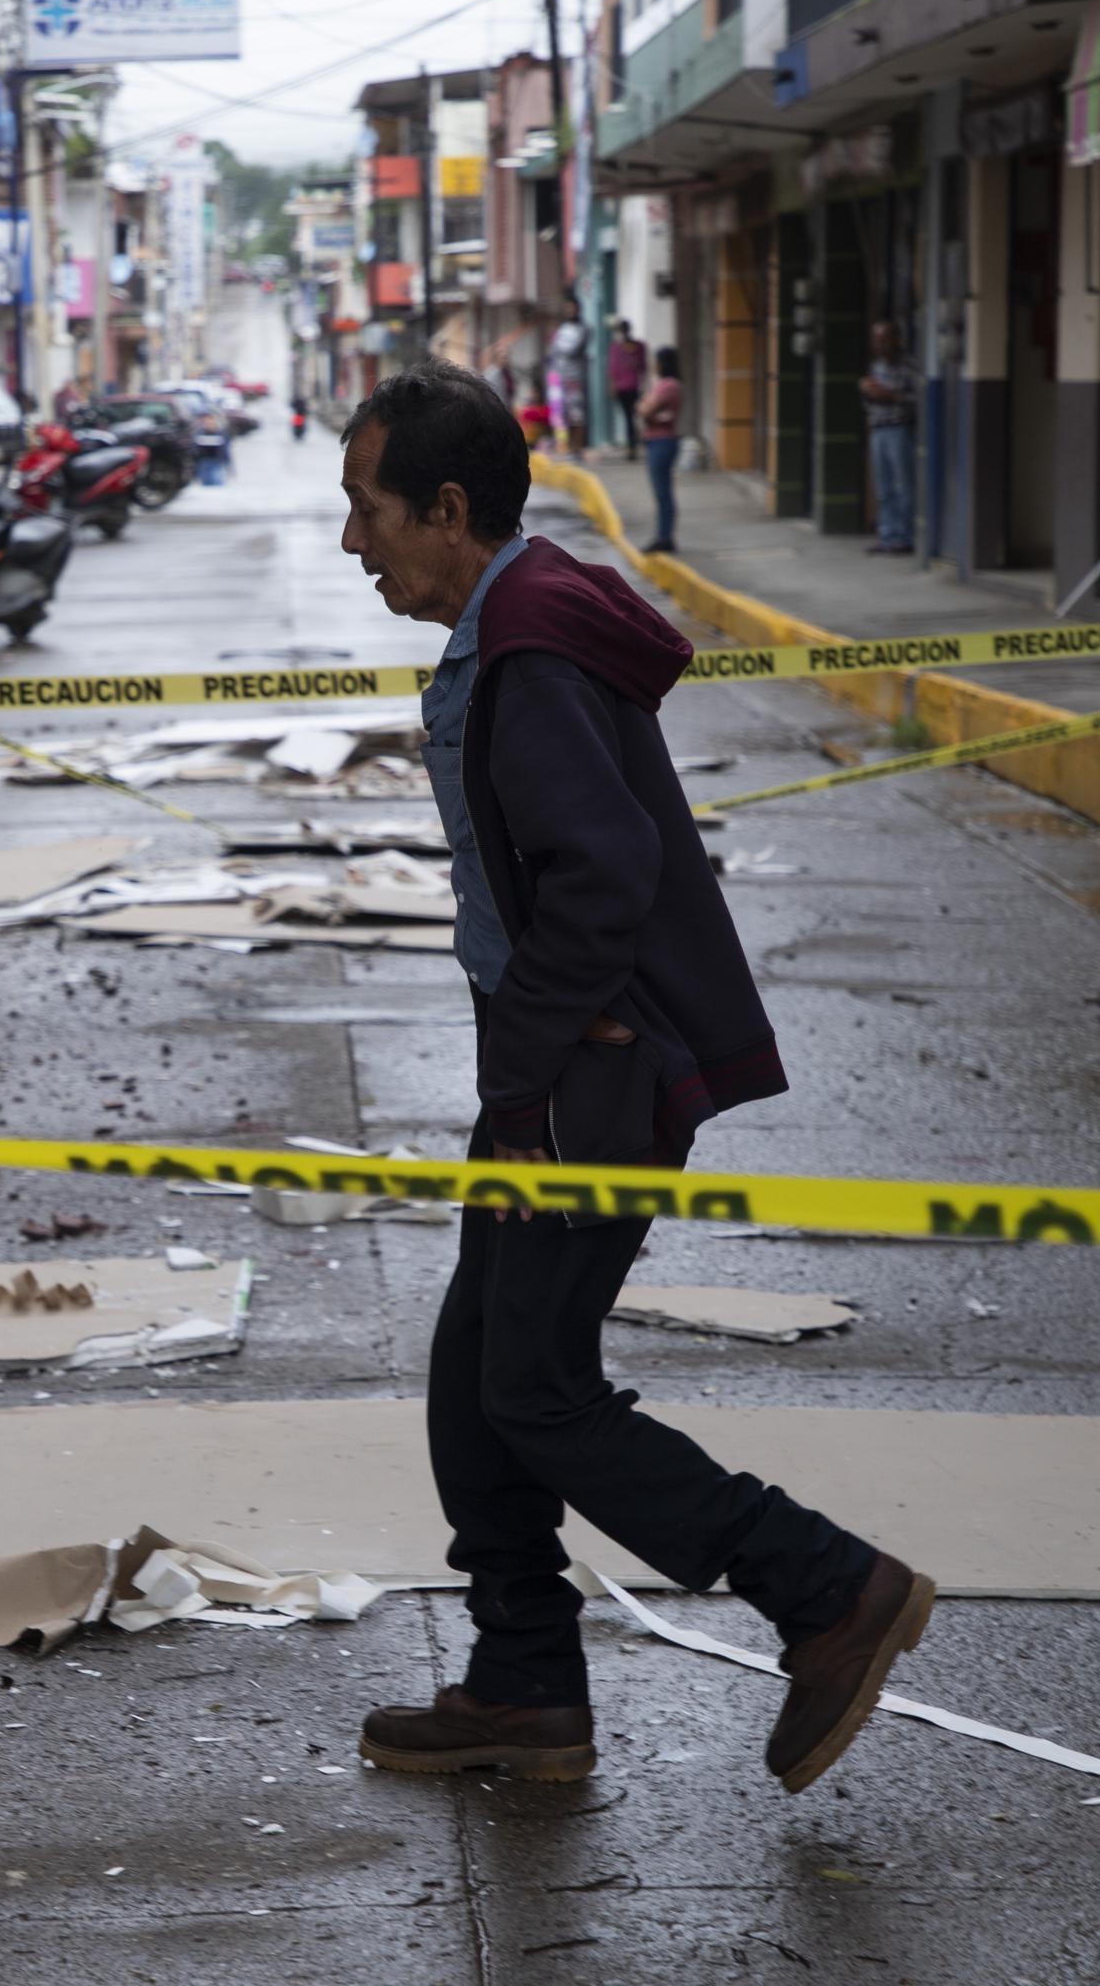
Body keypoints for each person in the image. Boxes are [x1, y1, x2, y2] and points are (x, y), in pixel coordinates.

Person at [334, 360, 931, 1795]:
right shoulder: (521, 618)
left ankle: (828, 1587)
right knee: (480, 1383)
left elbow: (603, 874)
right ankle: (526, 1682)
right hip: (551, 1069)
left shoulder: (530, 653)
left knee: (532, 1391)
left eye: (368, 511)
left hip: (578, 1083)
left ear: (449, 509)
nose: (354, 542)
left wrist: (534, 1067)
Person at [858, 320, 917, 556]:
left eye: (884, 339)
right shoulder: (876, 367)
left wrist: (890, 395)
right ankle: (887, 535)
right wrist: (867, 392)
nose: (879, 345)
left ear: (897, 340)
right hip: (878, 429)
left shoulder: (910, 366)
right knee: (883, 488)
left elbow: (918, 399)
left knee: (903, 485)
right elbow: (868, 403)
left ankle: (905, 537)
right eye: (876, 340)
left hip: (900, 429)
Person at [637, 346, 684, 552]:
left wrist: (645, 406)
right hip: (658, 441)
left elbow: (645, 410)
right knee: (661, 492)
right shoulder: (664, 385)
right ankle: (664, 535)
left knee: (663, 492)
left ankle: (665, 537)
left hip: (662, 442)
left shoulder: (668, 385)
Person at [548, 299, 589, 457]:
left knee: (577, 413)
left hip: (575, 377)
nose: (570, 311)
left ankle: (578, 447)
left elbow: (569, 349)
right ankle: (570, 447)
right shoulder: (563, 329)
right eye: (567, 308)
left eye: (572, 308)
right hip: (560, 377)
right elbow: (554, 349)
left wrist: (559, 347)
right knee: (564, 414)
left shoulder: (583, 328)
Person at [607, 321, 647, 460]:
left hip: (633, 387)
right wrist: (613, 386)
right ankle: (632, 446)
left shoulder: (637, 347)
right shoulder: (616, 348)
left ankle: (633, 445)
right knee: (629, 417)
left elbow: (642, 367)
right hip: (622, 388)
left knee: (632, 417)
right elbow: (612, 369)